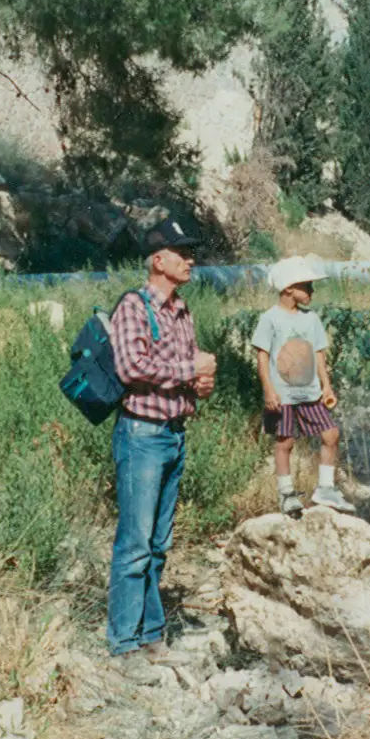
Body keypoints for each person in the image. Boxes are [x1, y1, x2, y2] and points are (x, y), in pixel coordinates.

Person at [107, 216, 218, 662]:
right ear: (158, 259)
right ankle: (123, 643)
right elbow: (131, 368)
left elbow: (186, 368)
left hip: (173, 436)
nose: (191, 260)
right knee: (135, 544)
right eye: (182, 252)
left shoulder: (182, 310)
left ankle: (151, 634)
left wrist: (200, 385)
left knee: (157, 544)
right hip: (142, 436)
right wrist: (191, 372)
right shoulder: (135, 307)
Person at [252, 255, 356, 516]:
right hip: (283, 395)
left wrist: (327, 386)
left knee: (330, 434)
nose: (312, 290)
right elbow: (262, 356)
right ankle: (286, 494)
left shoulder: (311, 319)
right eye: (306, 285)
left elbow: (319, 353)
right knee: (285, 442)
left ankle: (325, 488)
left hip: (309, 393)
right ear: (288, 288)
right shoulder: (270, 319)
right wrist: (268, 390)